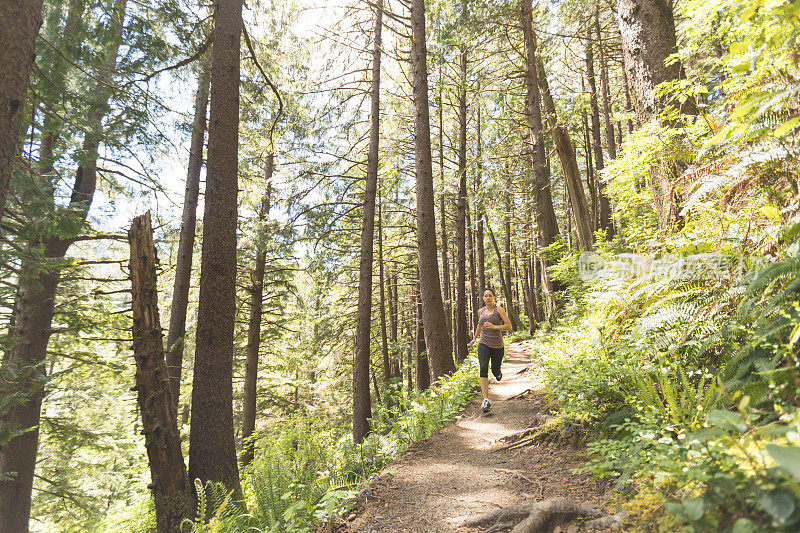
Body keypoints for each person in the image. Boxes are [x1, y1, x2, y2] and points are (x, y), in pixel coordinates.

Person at [470, 288, 512, 413]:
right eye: (486, 296)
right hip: (483, 343)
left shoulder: (499, 310)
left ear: (493, 297)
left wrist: (495, 327)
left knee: (494, 370)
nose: (488, 298)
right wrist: (474, 339)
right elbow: (479, 324)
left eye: (490, 295)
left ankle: (498, 372)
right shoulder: (480, 311)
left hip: (497, 345)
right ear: (483, 298)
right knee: (483, 367)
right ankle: (486, 400)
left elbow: (509, 326)